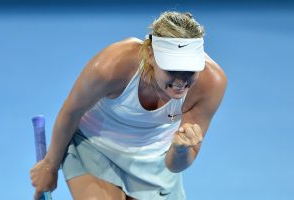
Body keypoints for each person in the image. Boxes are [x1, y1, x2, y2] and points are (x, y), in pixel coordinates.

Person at [30, 11, 227, 200]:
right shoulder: (112, 65)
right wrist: (50, 166)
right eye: (171, 68)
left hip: (156, 162)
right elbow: (72, 112)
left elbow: (174, 166)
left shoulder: (211, 84)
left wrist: (181, 149)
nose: (181, 80)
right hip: (95, 148)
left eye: (190, 70)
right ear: (150, 54)